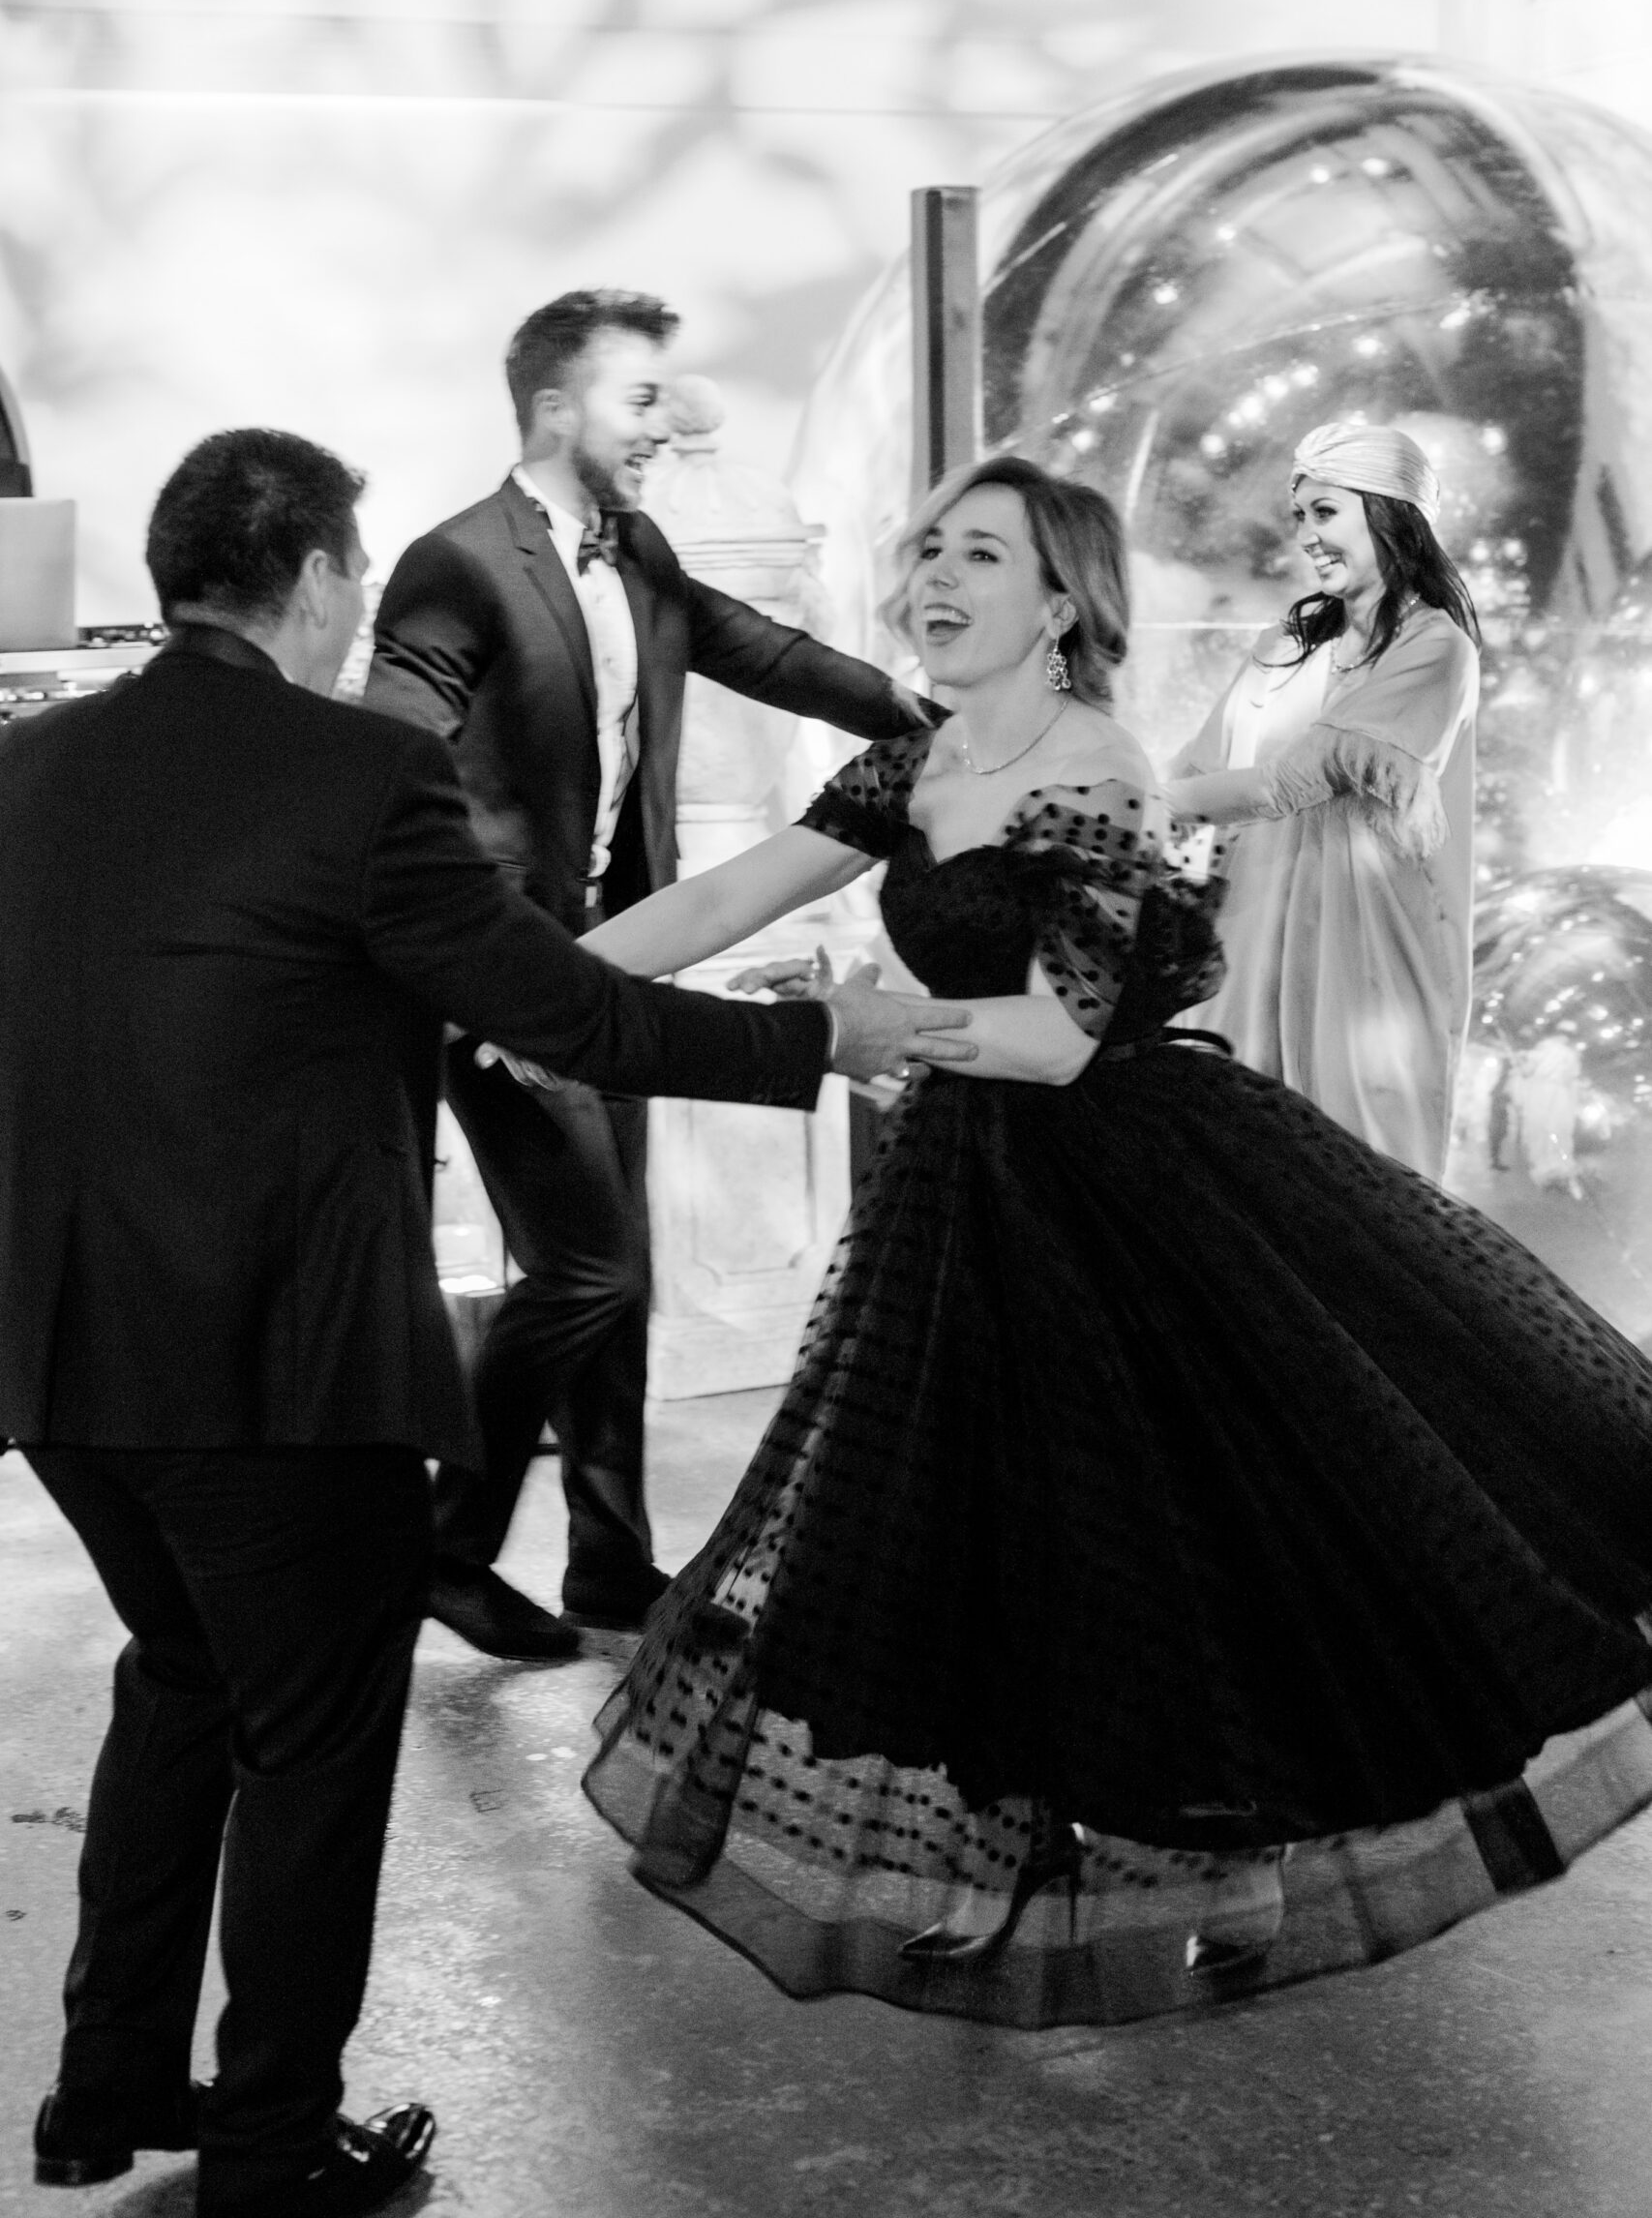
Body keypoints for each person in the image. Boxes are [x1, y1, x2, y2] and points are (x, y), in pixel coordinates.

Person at [0, 428, 970, 2215]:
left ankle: (107, 2085)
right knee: (309, 1738)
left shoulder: (32, 766)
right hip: (272, 1363)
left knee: (184, 1678)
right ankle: (274, 2149)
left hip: (60, 1358)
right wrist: (820, 1041)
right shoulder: (360, 773)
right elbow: (568, 1018)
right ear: (311, 581)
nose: (355, 605)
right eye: (350, 577)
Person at [579, 453, 1652, 2032]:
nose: (935, 578)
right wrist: (543, 983)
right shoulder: (913, 759)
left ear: (1063, 600)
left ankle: (1222, 1851)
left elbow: (1055, 1038)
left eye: (981, 556)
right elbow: (737, 885)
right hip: (962, 1184)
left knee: (1145, 1530)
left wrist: (844, 1023)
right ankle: (1026, 1846)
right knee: (974, 1524)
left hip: (1118, 1187)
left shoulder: (1096, 765)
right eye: (928, 548)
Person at [364, 288, 941, 1659]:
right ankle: (443, 1551)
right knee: (590, 1272)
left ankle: (610, 1567)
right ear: (555, 408)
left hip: (612, 968)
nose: (661, 427)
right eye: (637, 400)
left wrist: (919, 718)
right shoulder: (454, 564)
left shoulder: (634, 549)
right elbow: (393, 750)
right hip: (498, 977)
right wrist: (463, 945)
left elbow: (765, 653)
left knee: (617, 1277)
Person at [1163, 420, 1480, 1179]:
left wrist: (1135, 799)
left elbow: (1298, 778)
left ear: (1389, 514)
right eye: (1298, 515)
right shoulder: (1283, 644)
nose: (1305, 534)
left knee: (1359, 1197)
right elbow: (1200, 762)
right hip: (1245, 946)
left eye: (1324, 512)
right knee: (1233, 1187)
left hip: (1366, 965)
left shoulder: (1435, 648)